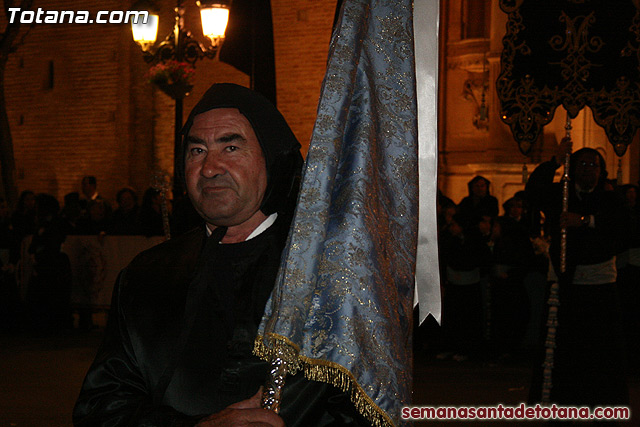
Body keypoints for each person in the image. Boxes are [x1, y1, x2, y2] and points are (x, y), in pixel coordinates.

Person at [73, 83, 369, 426]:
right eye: (196, 151)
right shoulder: (147, 275)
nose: (210, 168)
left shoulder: (331, 274)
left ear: (273, 159)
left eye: (230, 147)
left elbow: (366, 408)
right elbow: (101, 410)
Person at [526, 138, 629, 407]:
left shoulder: (609, 198)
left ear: (600, 169)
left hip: (599, 286)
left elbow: (624, 226)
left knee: (600, 350)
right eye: (581, 164)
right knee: (564, 349)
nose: (586, 169)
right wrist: (555, 161)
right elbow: (533, 191)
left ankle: (602, 405)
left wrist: (584, 221)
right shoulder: (560, 193)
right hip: (565, 283)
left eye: (592, 165)